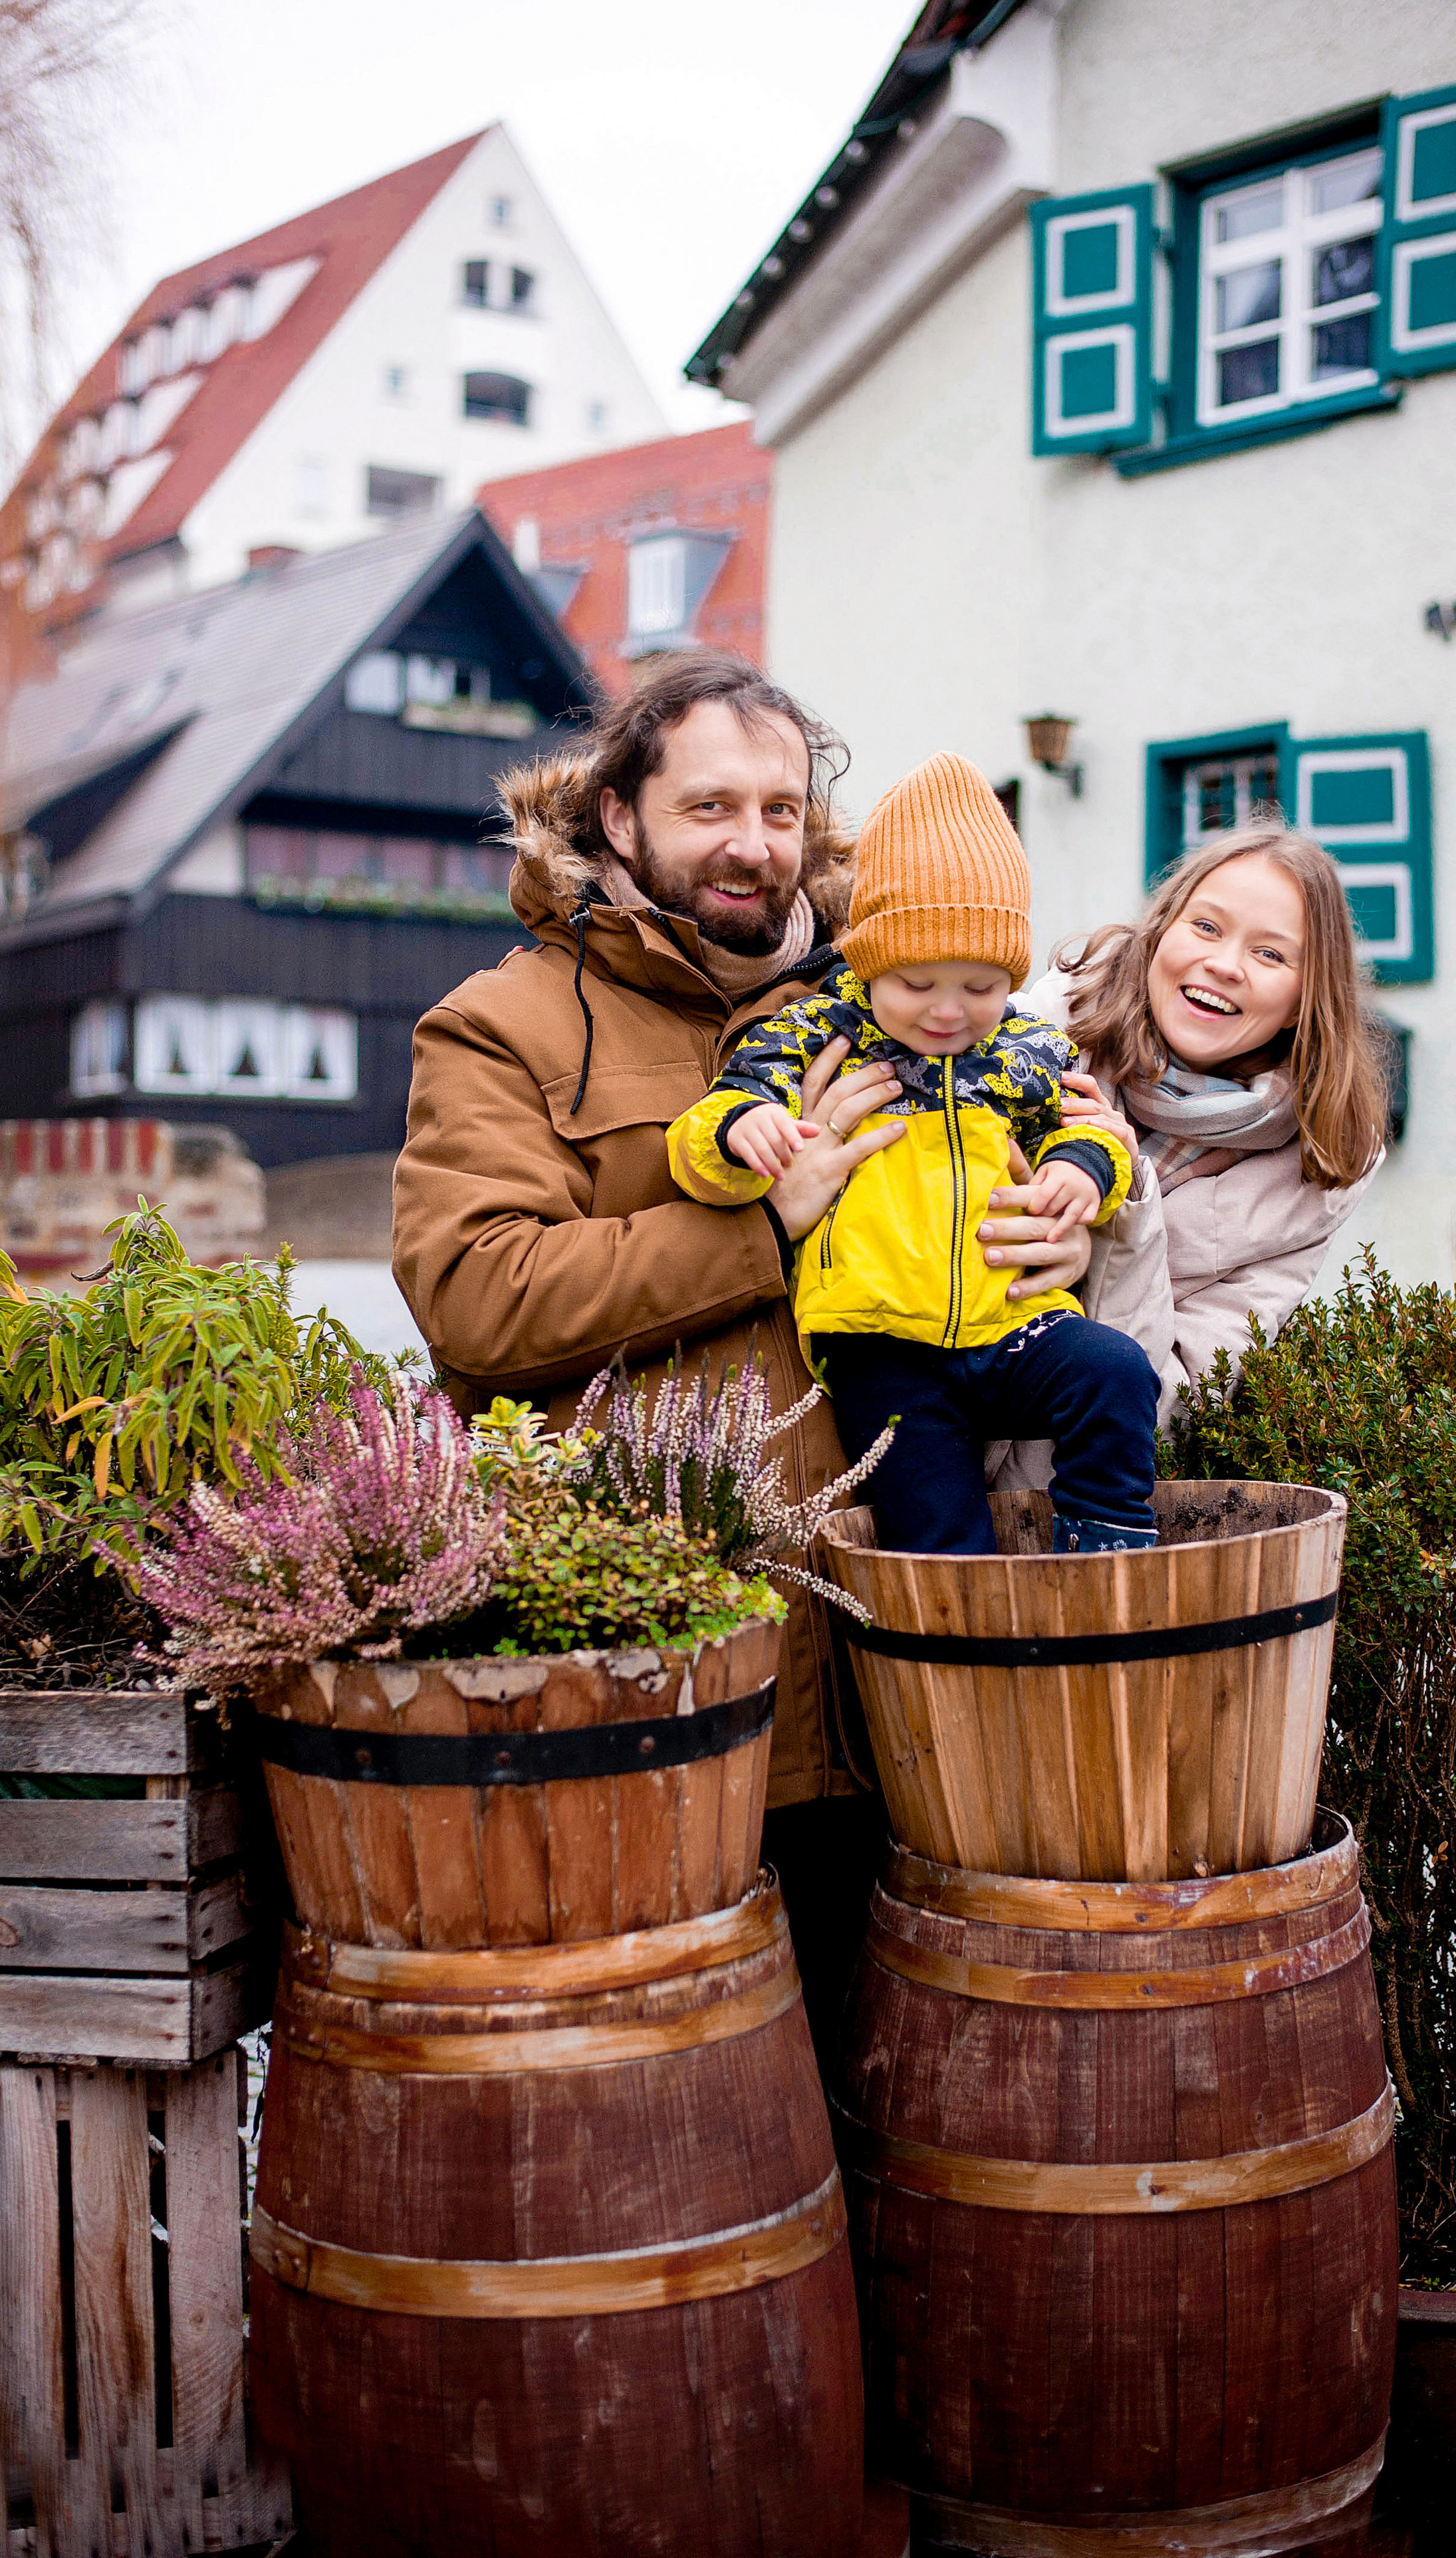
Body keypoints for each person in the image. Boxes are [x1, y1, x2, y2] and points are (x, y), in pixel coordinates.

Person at [390, 654, 1092, 2059]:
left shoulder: (906, 998)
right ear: (617, 816)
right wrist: (755, 1230)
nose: (751, 843)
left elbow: (1067, 1126)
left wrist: (1073, 1210)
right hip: (654, 1683)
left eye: (778, 808)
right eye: (709, 805)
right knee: (674, 2103)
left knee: (914, 2097)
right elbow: (474, 1294)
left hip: (896, 1672)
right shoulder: (502, 1026)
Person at [666, 750, 1159, 1556]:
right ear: (869, 960)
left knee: (1115, 1371)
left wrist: (1082, 1168)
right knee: (935, 1529)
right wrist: (737, 1129)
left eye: (979, 986)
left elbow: (1090, 1126)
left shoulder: (1029, 1046)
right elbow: (709, 1123)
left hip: (1012, 1324)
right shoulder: (817, 1033)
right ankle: (959, 1622)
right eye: (917, 984)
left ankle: (1106, 1541)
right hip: (880, 1343)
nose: (947, 1012)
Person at [984, 821, 1389, 1494]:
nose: (1225, 964)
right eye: (1205, 926)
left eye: (1270, 954)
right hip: (905, 1447)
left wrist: (1122, 1216)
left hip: (1057, 1504)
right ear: (1161, 931)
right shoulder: (1041, 1030)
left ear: (1302, 1001)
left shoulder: (1311, 1180)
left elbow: (1170, 1404)